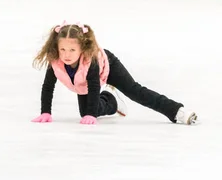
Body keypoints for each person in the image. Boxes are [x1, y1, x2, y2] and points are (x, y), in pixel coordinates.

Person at [31, 21, 197, 125]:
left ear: (83, 49)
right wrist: (46, 111)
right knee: (88, 111)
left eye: (72, 50)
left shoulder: (91, 60)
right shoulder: (56, 61)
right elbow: (48, 86)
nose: (66, 54)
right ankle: (112, 101)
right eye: (63, 49)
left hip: (109, 67)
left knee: (135, 92)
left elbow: (94, 86)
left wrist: (90, 114)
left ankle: (176, 111)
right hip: (84, 83)